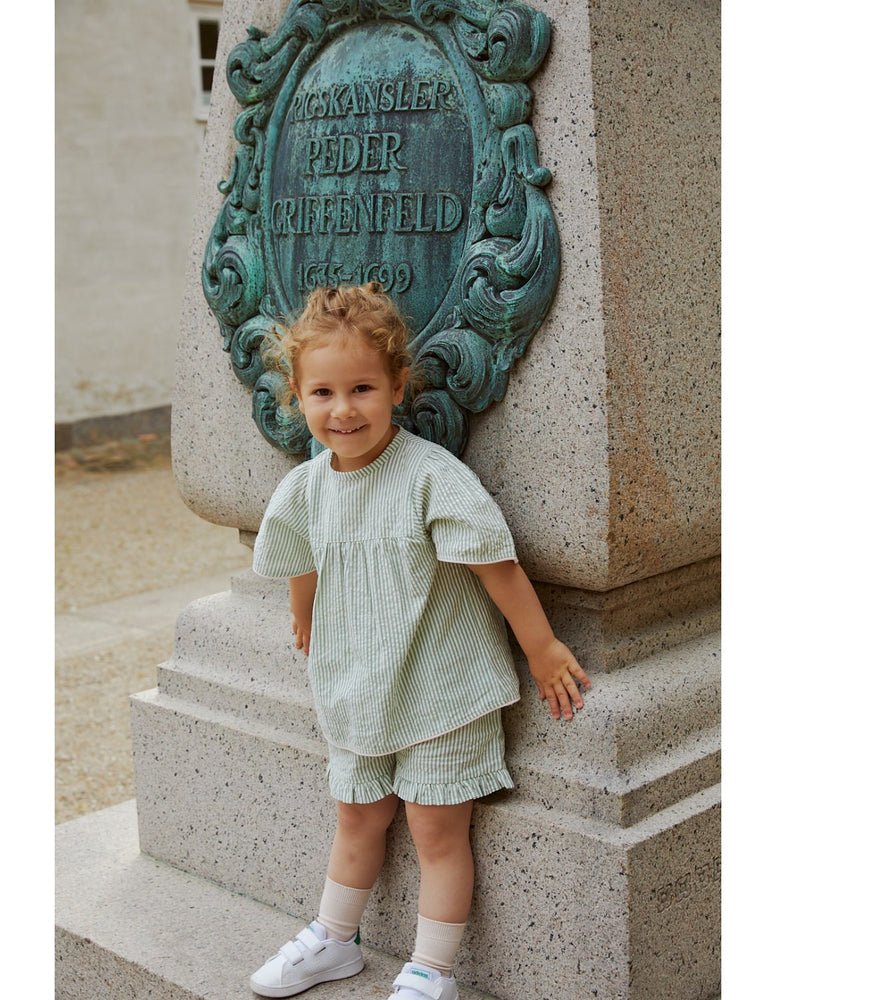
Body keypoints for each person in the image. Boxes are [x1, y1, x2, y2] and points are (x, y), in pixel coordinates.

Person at [249, 283, 591, 1000]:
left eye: (362, 388)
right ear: (298, 398)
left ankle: (431, 972)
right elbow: (302, 558)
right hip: (359, 686)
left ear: (398, 387)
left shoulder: (429, 478)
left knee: (437, 832)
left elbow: (496, 565)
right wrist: (304, 612)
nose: (343, 410)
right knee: (357, 816)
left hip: (440, 686)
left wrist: (541, 647)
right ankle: (334, 939)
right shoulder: (305, 489)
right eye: (323, 393)